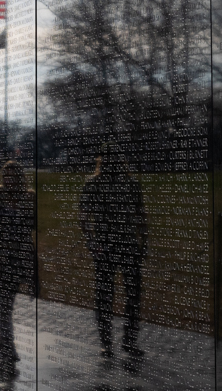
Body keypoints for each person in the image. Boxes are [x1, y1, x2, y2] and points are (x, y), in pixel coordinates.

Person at [79, 146, 148, 359]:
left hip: (128, 245)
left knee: (132, 296)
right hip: (105, 246)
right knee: (104, 296)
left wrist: (144, 243)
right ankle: (107, 342)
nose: (113, 163)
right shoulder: (93, 184)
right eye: (109, 160)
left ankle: (129, 340)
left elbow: (140, 214)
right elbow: (83, 216)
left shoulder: (131, 184)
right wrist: (92, 243)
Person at [0, 161, 36, 367]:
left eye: (13, 176)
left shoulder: (29, 198)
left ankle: (0, 339)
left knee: (7, 302)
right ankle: (8, 345)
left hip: (19, 256)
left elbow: (33, 225)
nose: (9, 180)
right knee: (5, 302)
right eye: (6, 176)